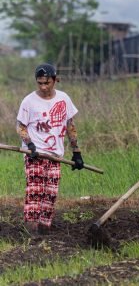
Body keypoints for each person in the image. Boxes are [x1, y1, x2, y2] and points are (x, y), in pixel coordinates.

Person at [16, 63, 84, 235]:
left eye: (47, 83)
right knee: (35, 191)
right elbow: (20, 126)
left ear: (55, 80)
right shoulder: (29, 101)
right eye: (39, 83)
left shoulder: (64, 99)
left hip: (55, 155)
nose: (43, 87)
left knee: (50, 194)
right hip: (35, 154)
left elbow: (70, 126)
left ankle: (44, 230)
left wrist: (76, 152)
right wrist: (30, 145)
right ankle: (31, 231)